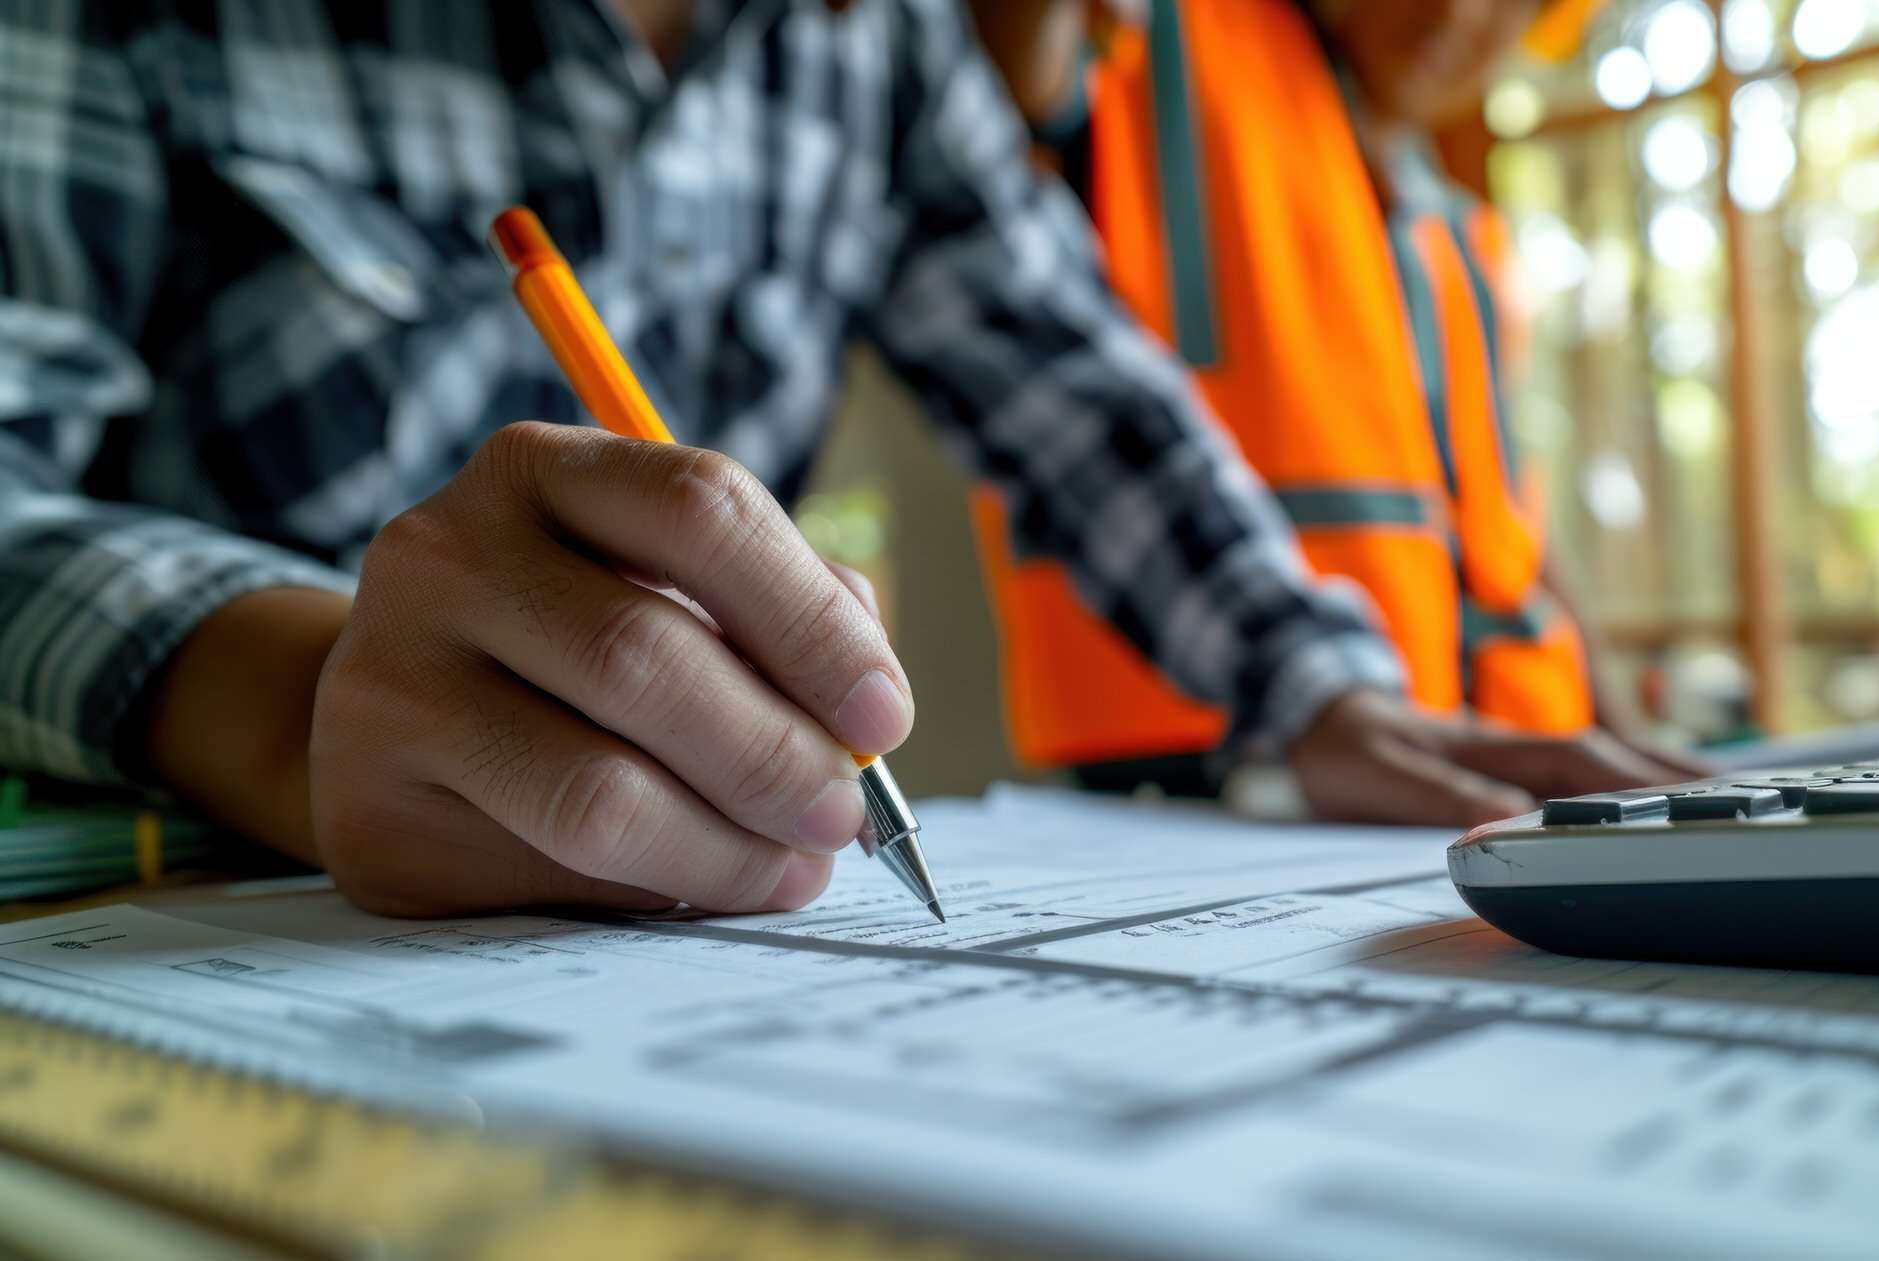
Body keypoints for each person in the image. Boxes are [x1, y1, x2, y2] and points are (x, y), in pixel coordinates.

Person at [0, 0, 1681, 921]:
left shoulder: (878, 47)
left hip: (649, 931)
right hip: (161, 908)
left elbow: (1090, 397)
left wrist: (1322, 694)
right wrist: (297, 694)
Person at [962, 0, 1698, 801]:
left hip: (1473, 757)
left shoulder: (1460, 244)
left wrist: (1625, 738)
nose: (1454, 17)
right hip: (1208, 749)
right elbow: (1008, 89)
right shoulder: (1167, 42)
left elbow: (1508, 530)